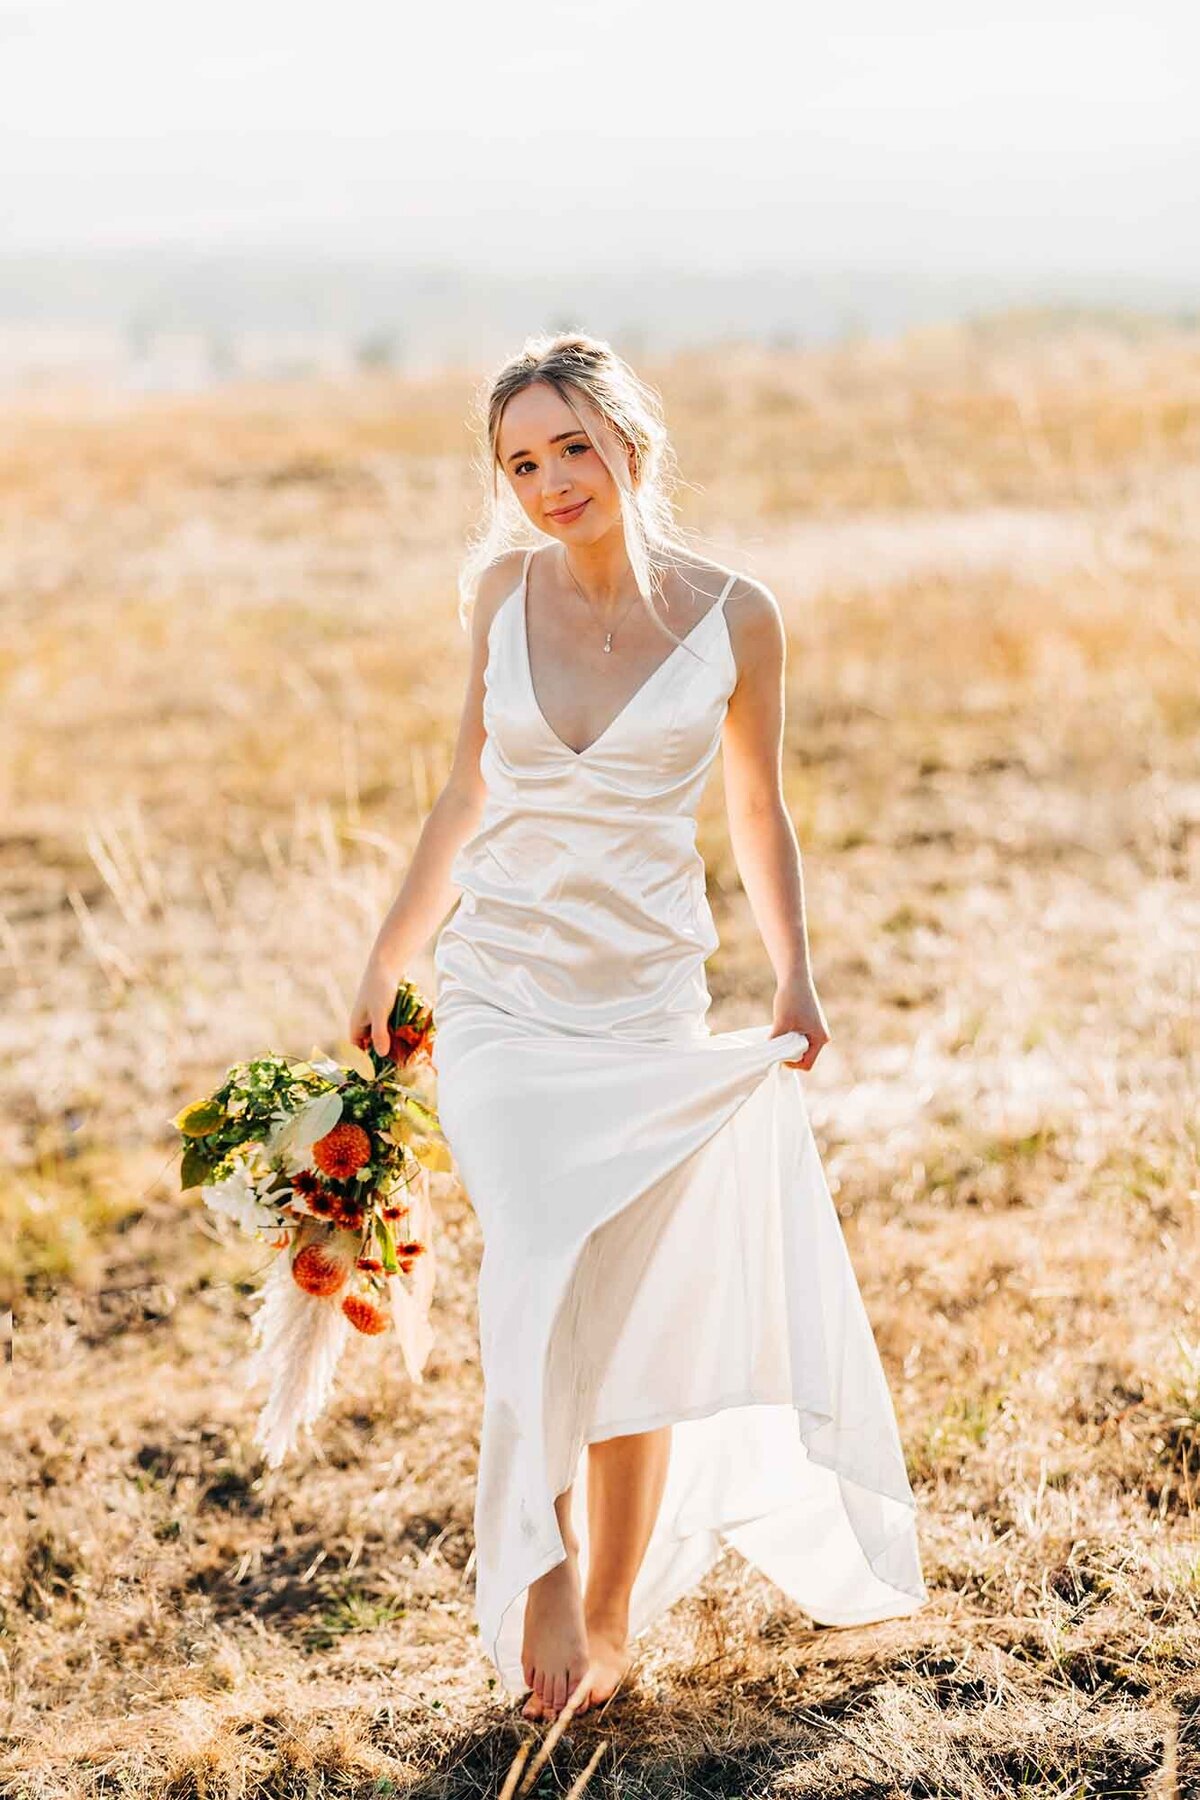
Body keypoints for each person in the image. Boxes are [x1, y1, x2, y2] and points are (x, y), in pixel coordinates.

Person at [350, 332, 926, 1723]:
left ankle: (610, 1615)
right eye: (521, 463)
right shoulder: (498, 592)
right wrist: (388, 956)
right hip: (502, 997)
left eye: (571, 449)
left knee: (632, 1305)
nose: (552, 482)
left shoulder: (739, 614)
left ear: (630, 445)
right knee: (541, 1253)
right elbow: (461, 793)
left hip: (648, 1006)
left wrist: (795, 978)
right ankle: (540, 1564)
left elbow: (755, 809)